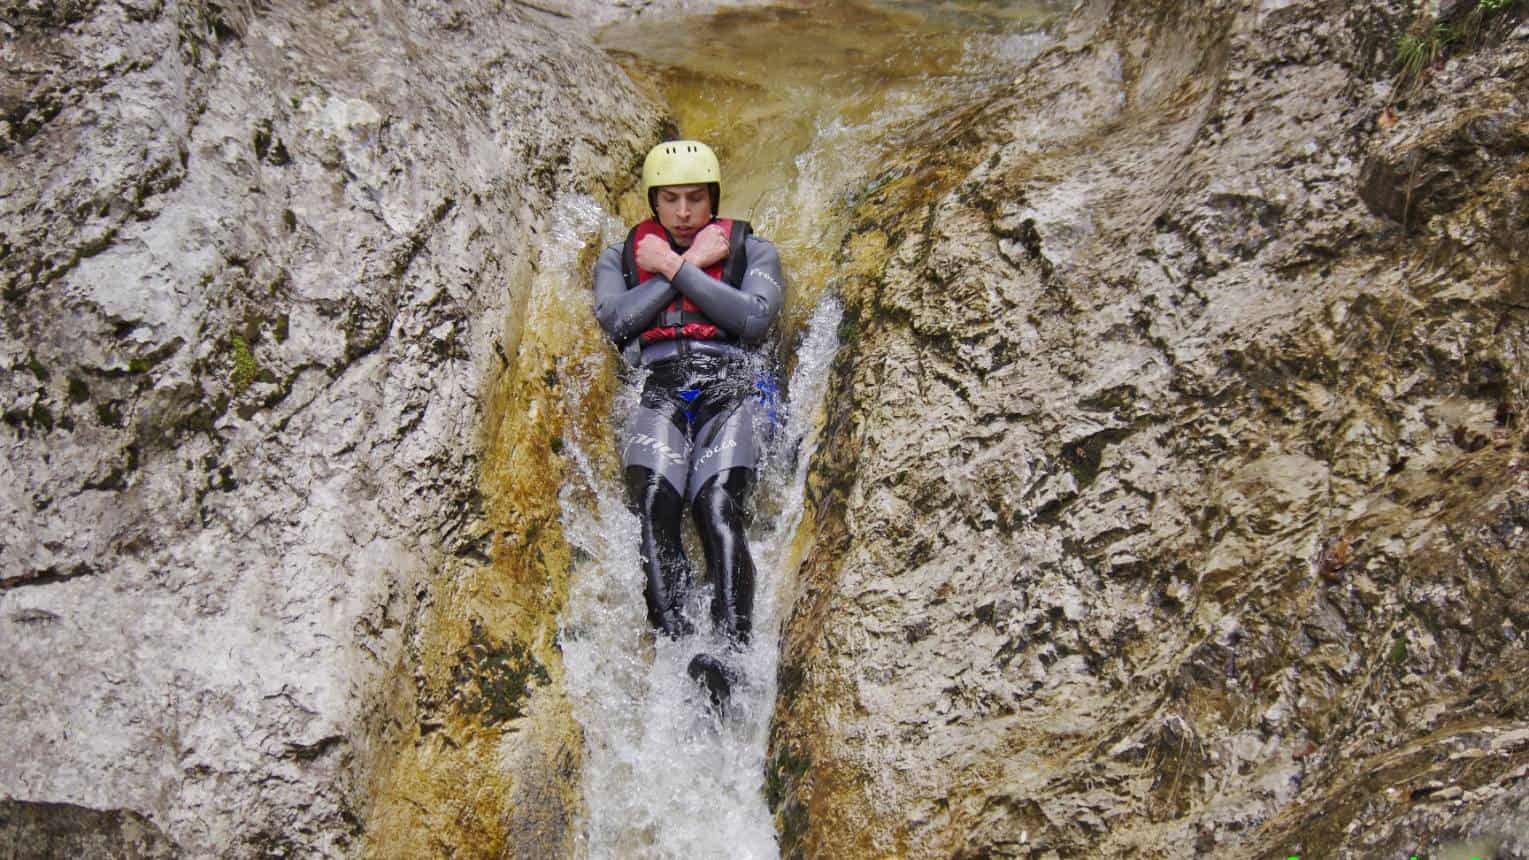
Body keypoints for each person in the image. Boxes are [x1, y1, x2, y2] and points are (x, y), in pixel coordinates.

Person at [590, 140, 786, 708]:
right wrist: (683, 268)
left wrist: (676, 266)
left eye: (694, 199)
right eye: (670, 200)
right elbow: (615, 321)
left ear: (713, 199)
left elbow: (752, 319)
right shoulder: (621, 257)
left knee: (717, 503)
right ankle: (677, 647)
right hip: (660, 386)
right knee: (653, 502)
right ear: (653, 203)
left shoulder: (753, 249)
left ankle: (732, 651)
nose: (682, 213)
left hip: (731, 384)